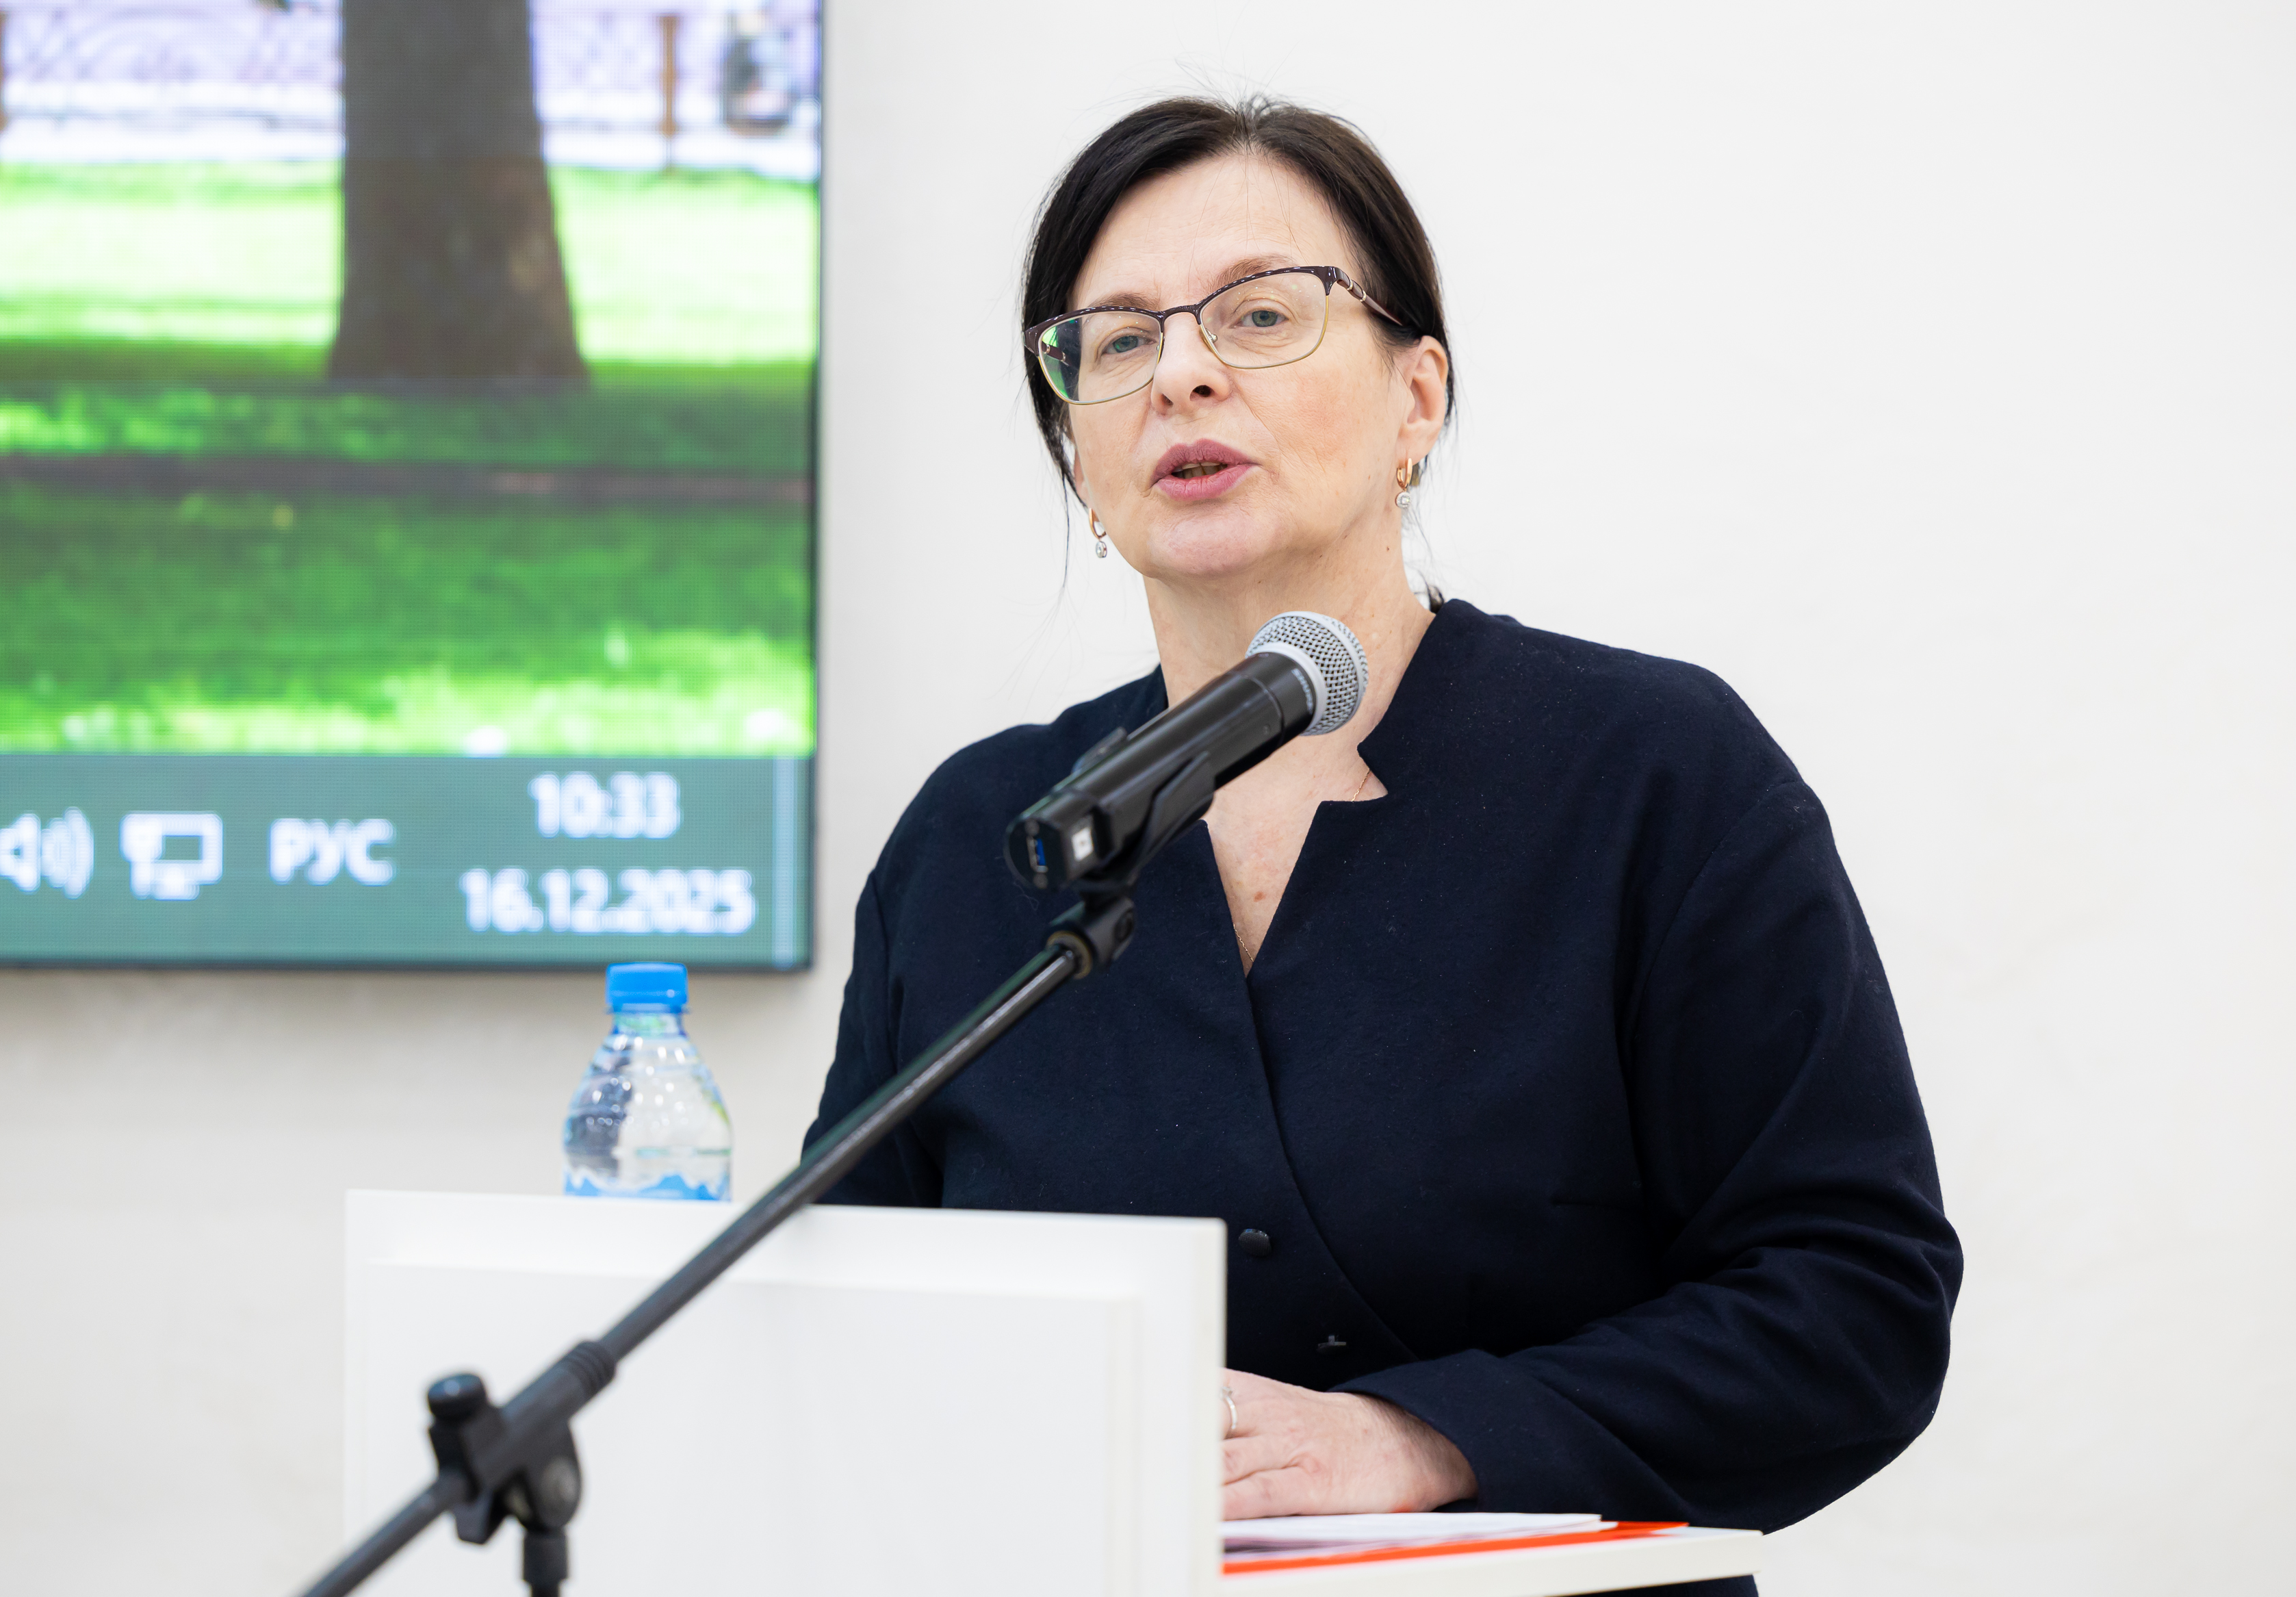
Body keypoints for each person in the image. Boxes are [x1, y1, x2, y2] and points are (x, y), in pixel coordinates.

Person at [807, 95, 1961, 1592]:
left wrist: (1424, 1437)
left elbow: (1855, 1304)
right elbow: (847, 1323)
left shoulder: (1656, 777)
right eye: (1118, 341)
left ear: (1418, 399)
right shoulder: (984, 839)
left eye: (1260, 314)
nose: (1184, 373)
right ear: (1077, 455)